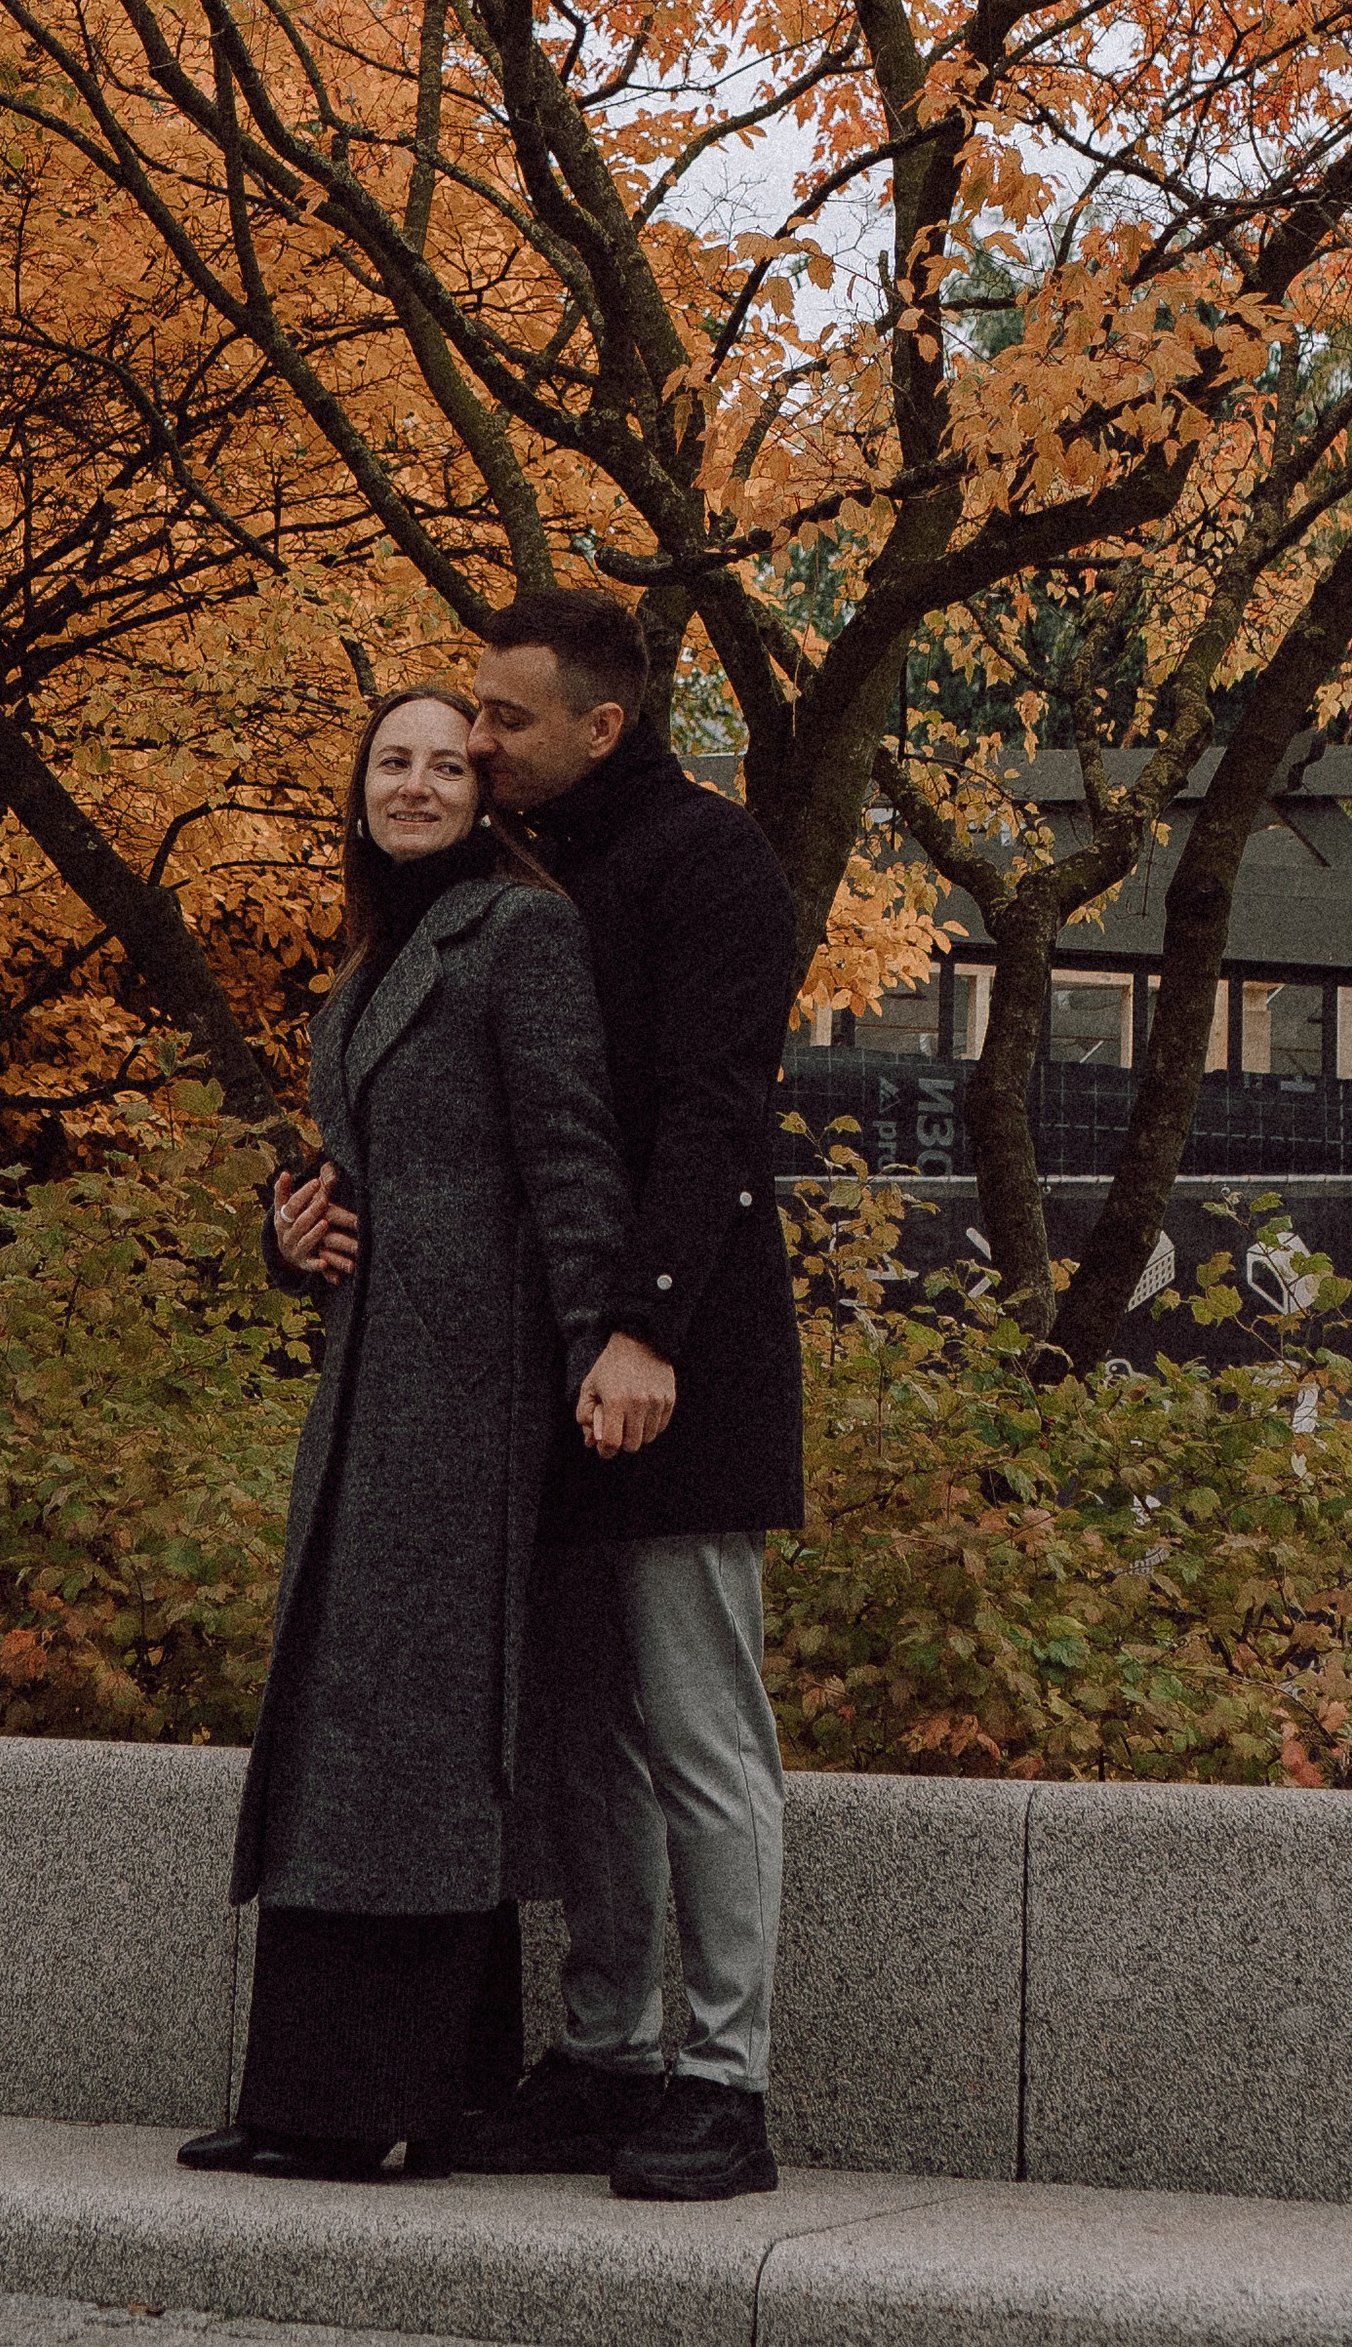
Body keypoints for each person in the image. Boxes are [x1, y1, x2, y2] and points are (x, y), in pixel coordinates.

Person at [181, 685, 670, 2182]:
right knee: (373, 1727)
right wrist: (291, 1235)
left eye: (444, 765)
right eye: (389, 760)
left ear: (485, 793)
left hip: (475, 1390)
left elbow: (573, 1154)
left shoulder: (515, 935)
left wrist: (603, 1351)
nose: (413, 785)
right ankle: (370, 2094)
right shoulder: (377, 952)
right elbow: (357, 1175)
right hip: (376, 1385)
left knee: (416, 1737)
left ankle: (352, 2105)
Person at [458, 588, 802, 2205]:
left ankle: (724, 2088)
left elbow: (714, 1112)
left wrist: (647, 1332)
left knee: (696, 1727)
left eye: (508, 718)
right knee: (581, 1739)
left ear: (604, 724)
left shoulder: (709, 860)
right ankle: (608, 2057)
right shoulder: (504, 869)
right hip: (537, 1364)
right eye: (473, 711)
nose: (475, 739)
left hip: (684, 1361)